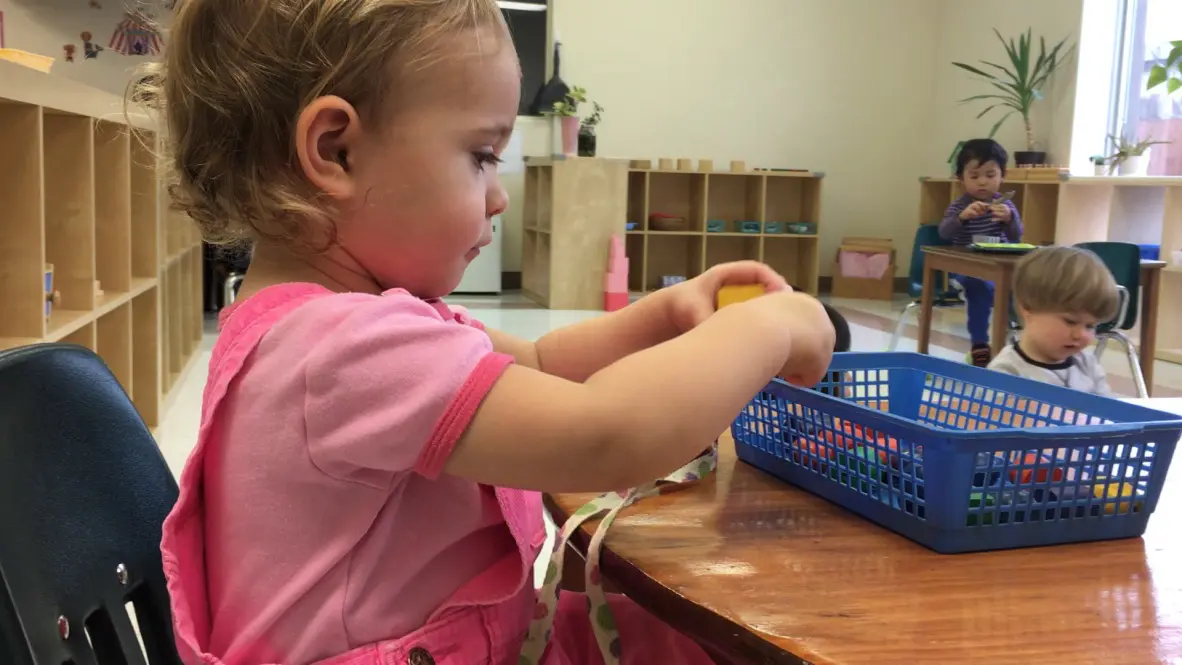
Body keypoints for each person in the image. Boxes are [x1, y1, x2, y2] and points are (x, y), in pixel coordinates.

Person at [139, 2, 836, 664]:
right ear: (336, 150)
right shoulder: (341, 347)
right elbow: (606, 436)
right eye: (480, 155)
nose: (499, 196)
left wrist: (665, 313)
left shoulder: (333, 319)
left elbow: (540, 361)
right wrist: (768, 325)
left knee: (680, 636)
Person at [938, 138, 1024, 367]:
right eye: (974, 176)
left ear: (1002, 176)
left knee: (1027, 286)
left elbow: (1017, 236)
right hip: (966, 271)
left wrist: (1009, 219)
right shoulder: (959, 206)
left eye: (990, 175)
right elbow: (944, 233)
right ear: (961, 179)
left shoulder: (1005, 205)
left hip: (1000, 269)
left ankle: (1019, 346)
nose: (983, 182)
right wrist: (961, 218)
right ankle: (979, 345)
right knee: (979, 287)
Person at [988, 246, 1119, 395]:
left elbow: (1106, 412)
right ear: (1029, 309)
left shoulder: (1087, 365)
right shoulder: (1006, 372)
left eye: (1090, 326)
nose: (1080, 335)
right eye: (1070, 322)